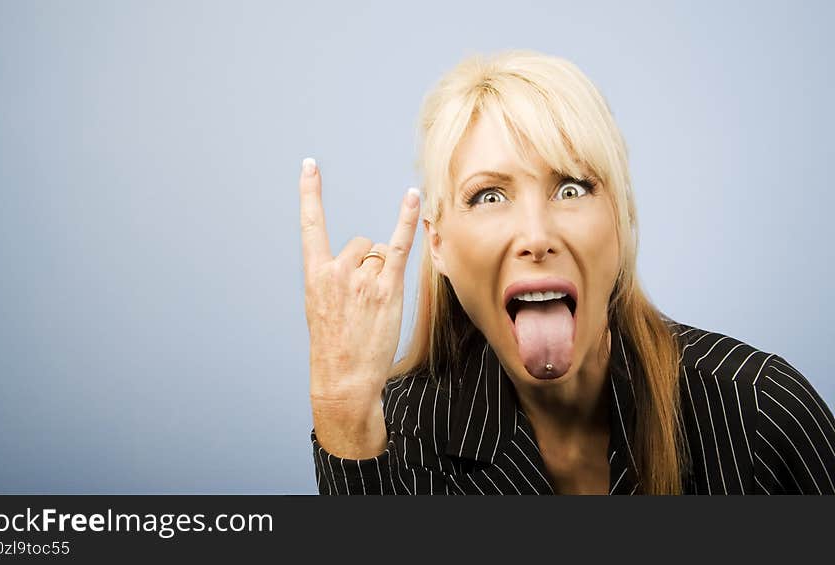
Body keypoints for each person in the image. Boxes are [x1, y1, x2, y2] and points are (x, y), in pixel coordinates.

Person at [298, 49, 835, 495]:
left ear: (622, 220)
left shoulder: (759, 411)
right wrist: (341, 412)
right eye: (489, 195)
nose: (536, 237)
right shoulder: (399, 436)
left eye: (571, 188)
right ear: (438, 245)